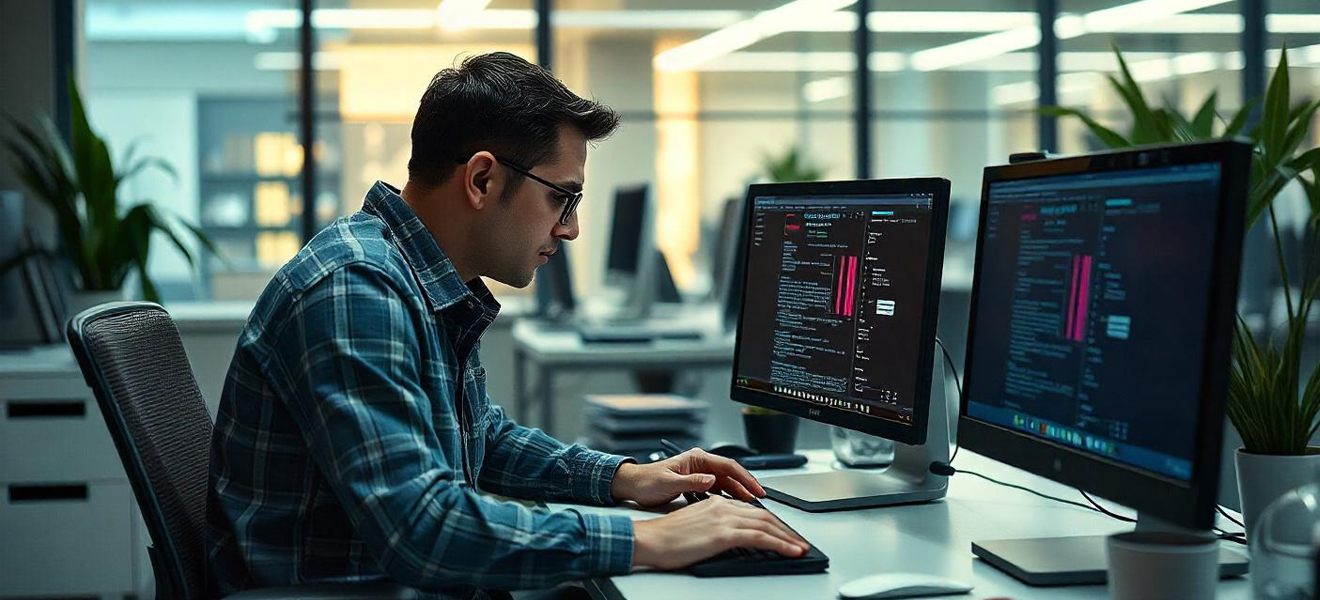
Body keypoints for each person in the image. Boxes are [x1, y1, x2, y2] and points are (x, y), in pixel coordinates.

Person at [206, 52, 808, 600]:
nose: (570, 229)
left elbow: (481, 438)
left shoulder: (414, 276)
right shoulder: (356, 288)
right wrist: (646, 542)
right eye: (561, 200)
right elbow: (421, 527)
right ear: (482, 179)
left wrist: (627, 478)